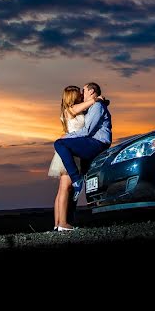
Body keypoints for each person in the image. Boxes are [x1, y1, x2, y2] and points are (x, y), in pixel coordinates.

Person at [53, 82, 112, 226]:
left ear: (91, 91)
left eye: (83, 91)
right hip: (73, 148)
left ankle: (62, 223)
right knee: (66, 188)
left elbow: (88, 129)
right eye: (79, 92)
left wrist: (100, 101)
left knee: (66, 189)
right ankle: (62, 223)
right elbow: (86, 126)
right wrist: (97, 99)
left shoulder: (91, 108)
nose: (81, 94)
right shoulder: (74, 108)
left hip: (81, 146)